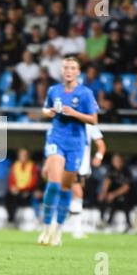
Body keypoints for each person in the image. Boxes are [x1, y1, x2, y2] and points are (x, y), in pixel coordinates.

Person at [39, 57, 99, 246]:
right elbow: (46, 108)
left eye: (73, 68)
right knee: (54, 184)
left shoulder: (86, 93)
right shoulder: (53, 90)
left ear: (78, 72)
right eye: (65, 67)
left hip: (76, 144)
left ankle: (58, 228)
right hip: (56, 139)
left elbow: (93, 119)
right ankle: (46, 227)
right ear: (61, 70)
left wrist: (74, 114)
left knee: (66, 188)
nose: (68, 71)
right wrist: (47, 113)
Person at [69, 125, 106, 239]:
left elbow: (101, 145)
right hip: (70, 164)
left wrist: (98, 157)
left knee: (75, 196)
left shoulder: (90, 125)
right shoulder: (68, 123)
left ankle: (70, 226)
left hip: (83, 168)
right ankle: (76, 229)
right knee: (77, 194)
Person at [97, 154, 132, 233]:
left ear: (122, 161)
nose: (117, 163)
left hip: (124, 195)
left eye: (118, 161)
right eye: (115, 161)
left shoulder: (126, 171)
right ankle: (102, 220)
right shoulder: (111, 170)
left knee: (118, 200)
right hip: (112, 194)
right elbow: (107, 182)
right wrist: (103, 193)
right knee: (102, 198)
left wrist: (113, 194)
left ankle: (127, 224)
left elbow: (126, 187)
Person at [6, 148, 39, 228]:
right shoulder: (15, 165)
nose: (23, 157)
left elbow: (33, 181)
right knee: (8, 198)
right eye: (21, 155)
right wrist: (12, 188)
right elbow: (11, 179)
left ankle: (38, 220)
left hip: (28, 191)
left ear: (28, 156)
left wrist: (21, 189)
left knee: (33, 197)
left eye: (25, 155)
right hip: (17, 191)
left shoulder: (32, 166)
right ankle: (11, 220)